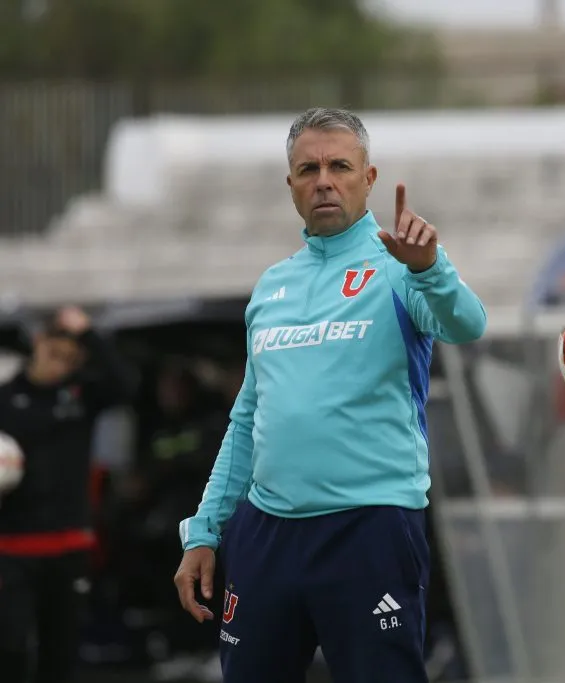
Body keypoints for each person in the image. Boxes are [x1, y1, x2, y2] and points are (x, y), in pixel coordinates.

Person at [173, 107, 487, 683]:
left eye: (340, 166)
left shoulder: (400, 266)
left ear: (367, 179)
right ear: (290, 184)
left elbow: (468, 325)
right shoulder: (272, 285)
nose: (324, 179)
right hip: (266, 534)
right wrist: (205, 529)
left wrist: (430, 269)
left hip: (368, 527)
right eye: (308, 169)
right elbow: (247, 419)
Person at [0, 305, 136, 682]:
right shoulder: (5, 400)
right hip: (11, 549)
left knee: (60, 652)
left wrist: (91, 333)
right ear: (38, 344)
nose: (61, 365)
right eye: (56, 354)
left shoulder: (82, 396)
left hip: (68, 544)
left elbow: (126, 386)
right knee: (10, 646)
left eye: (71, 359)